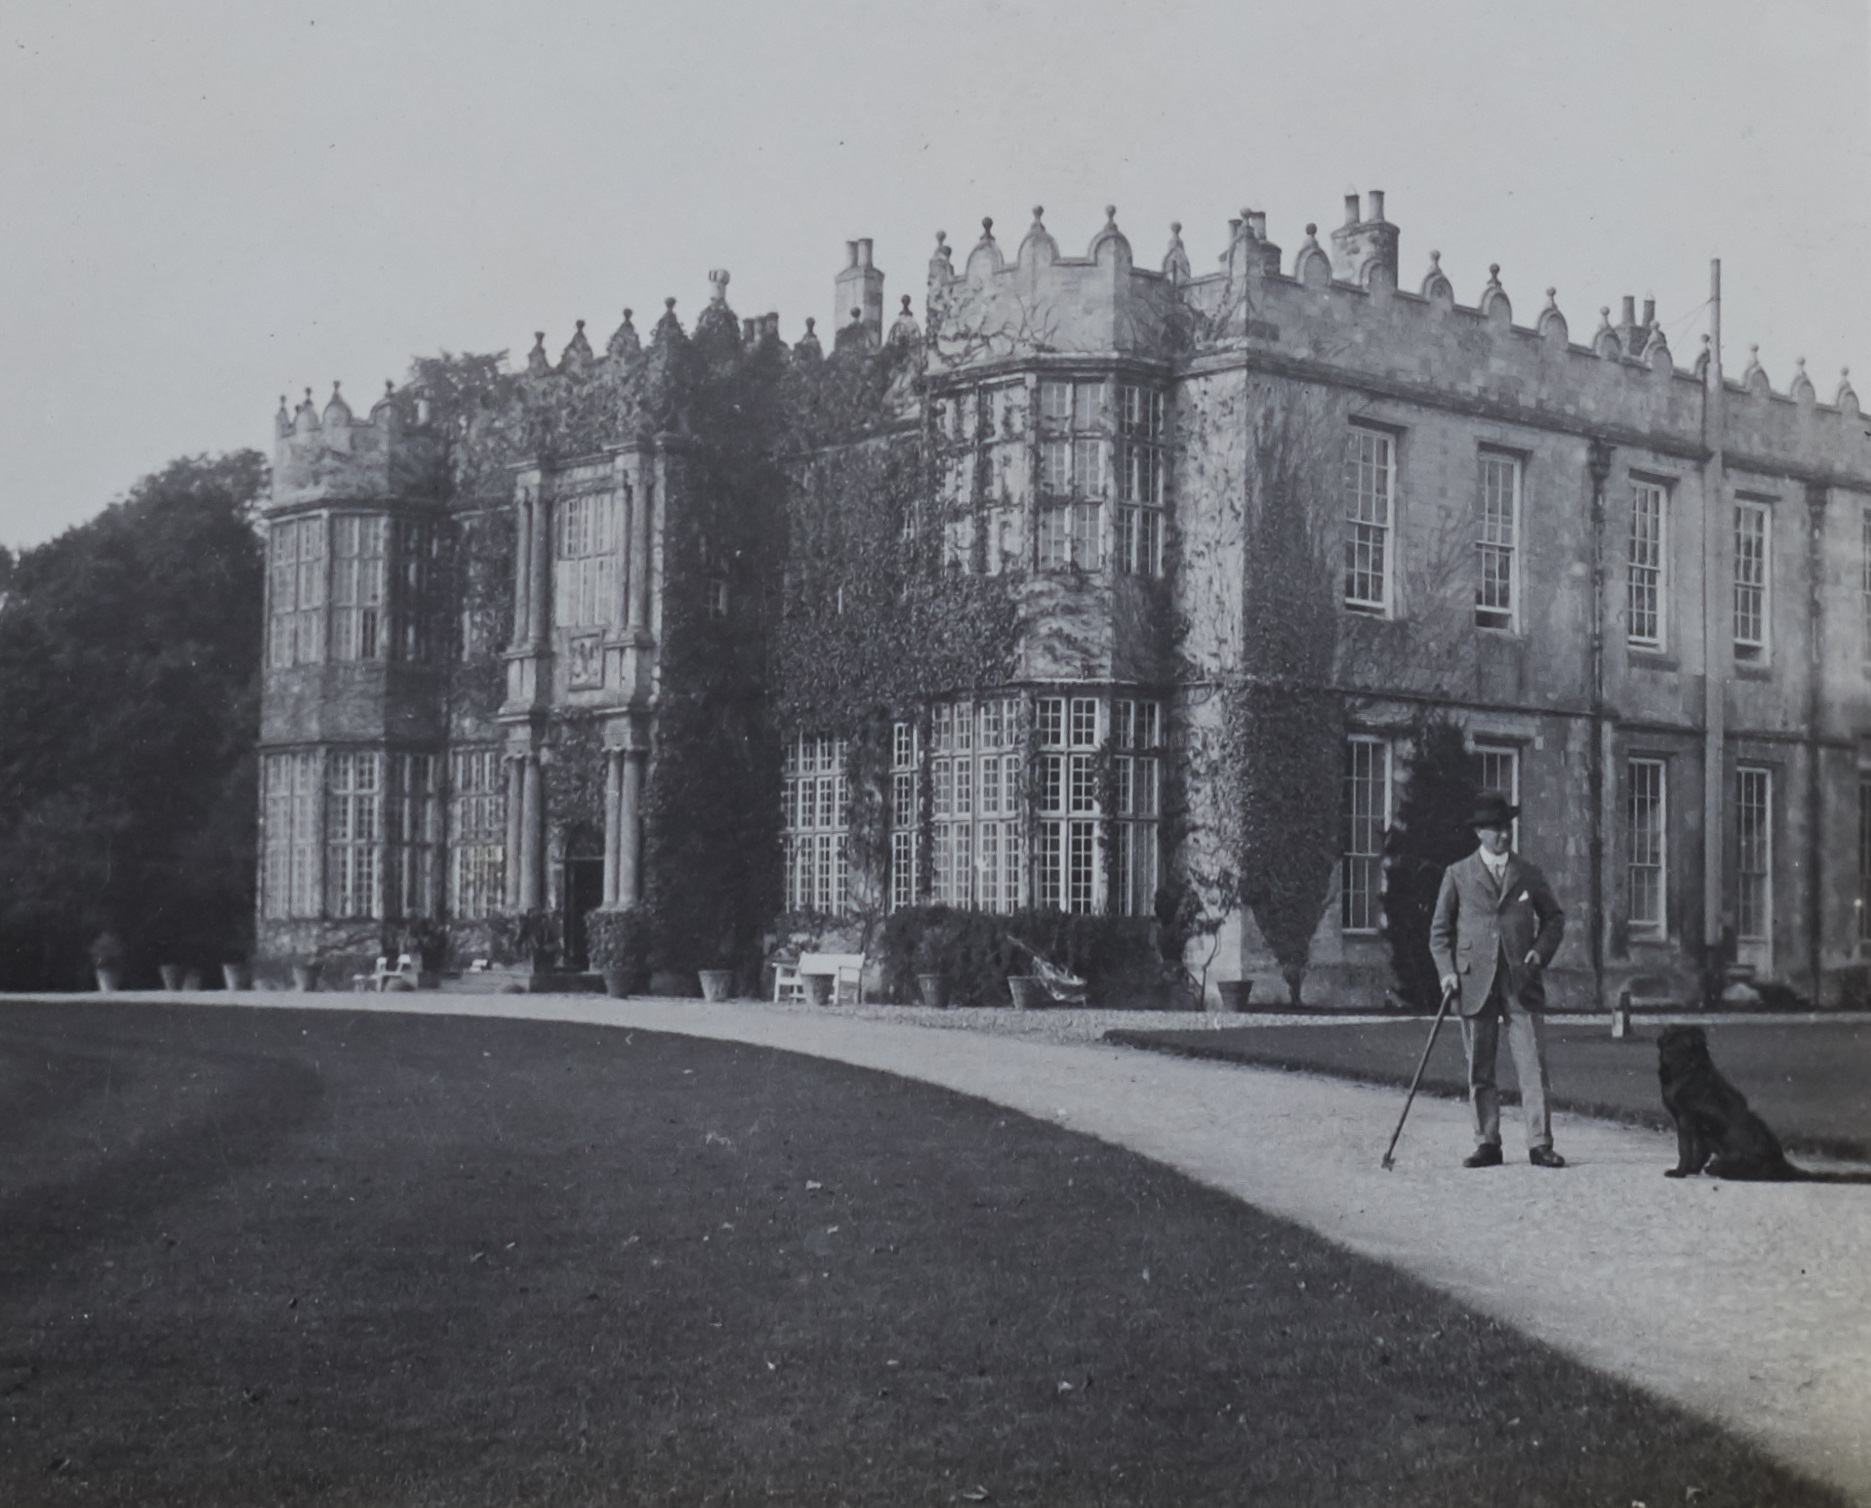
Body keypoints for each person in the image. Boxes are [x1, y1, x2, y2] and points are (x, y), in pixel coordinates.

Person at [1429, 790, 1568, 1169]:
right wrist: (1447, 973)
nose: (1504, 835)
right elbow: (1439, 933)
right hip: (1474, 983)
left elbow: (1554, 918)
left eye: (1507, 827)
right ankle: (1487, 1141)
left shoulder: (1527, 873)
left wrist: (1540, 952)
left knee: (1533, 1066)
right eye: (1495, 829)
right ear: (1479, 833)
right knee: (1480, 1066)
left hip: (1520, 981)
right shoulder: (1457, 875)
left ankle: (1540, 1143)